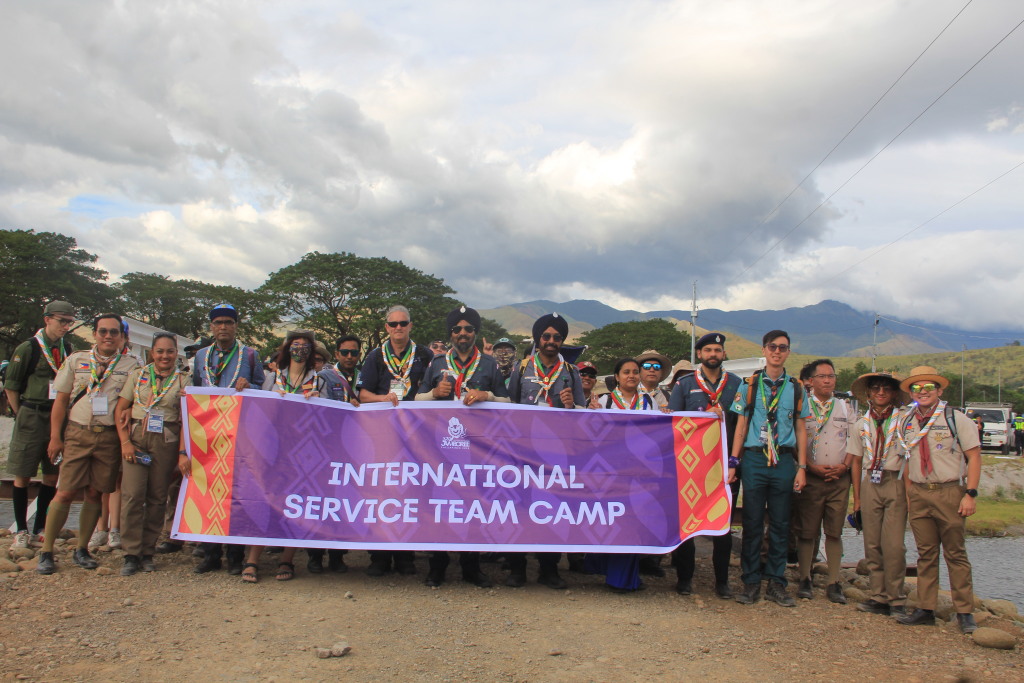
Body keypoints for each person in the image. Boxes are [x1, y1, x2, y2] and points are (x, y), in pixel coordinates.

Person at [37, 313, 141, 574]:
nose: (108, 336)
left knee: (96, 492)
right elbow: (61, 401)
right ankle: (46, 550)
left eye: (114, 332)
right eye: (103, 331)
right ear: (95, 334)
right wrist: (55, 437)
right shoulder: (76, 360)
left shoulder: (132, 365)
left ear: (122, 336)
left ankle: (82, 548)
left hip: (108, 436)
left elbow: (136, 400)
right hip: (78, 432)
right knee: (65, 491)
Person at [416, 305, 510, 588]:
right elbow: (416, 400)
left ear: (475, 332)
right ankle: (438, 565)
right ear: (451, 334)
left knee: (472, 504)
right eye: (457, 329)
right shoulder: (436, 363)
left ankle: (471, 566)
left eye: (468, 329)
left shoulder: (489, 364)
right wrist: (435, 393)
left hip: (477, 449)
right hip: (439, 448)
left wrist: (487, 394)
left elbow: (508, 403)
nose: (462, 333)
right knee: (440, 504)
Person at [895, 366, 982, 635]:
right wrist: (910, 494)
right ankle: (926, 608)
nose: (923, 392)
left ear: (939, 390)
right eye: (917, 388)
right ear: (911, 392)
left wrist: (970, 493)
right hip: (920, 492)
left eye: (929, 387)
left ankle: (964, 611)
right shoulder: (906, 421)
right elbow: (906, 459)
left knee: (955, 553)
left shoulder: (955, 418)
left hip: (949, 491)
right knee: (926, 554)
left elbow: (974, 457)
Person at [729, 330, 809, 607]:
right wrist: (734, 462)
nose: (777, 352)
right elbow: (741, 426)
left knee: (780, 523)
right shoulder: (749, 385)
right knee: (751, 522)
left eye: (782, 348)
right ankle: (750, 581)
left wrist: (802, 467)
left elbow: (801, 428)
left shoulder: (796, 388)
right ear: (763, 350)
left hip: (783, 461)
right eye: (772, 347)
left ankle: (776, 581)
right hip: (755, 458)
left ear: (788, 352)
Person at [506, 313, 584, 589]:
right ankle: (517, 569)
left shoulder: (571, 372)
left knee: (552, 509)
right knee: (518, 508)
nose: (551, 341)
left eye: (557, 337)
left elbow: (583, 413)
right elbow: (508, 406)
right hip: (523, 450)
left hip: (556, 453)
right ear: (538, 339)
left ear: (562, 341)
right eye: (546, 336)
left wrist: (571, 405)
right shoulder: (521, 368)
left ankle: (549, 569)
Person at [240, 330, 323, 583]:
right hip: (272, 449)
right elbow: (257, 407)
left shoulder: (318, 380)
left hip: (302, 451)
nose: (300, 349)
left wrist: (318, 402)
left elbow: (329, 417)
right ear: (287, 349)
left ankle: (287, 558)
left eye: (305, 345)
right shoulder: (272, 378)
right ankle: (253, 559)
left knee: (296, 502)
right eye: (295, 344)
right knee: (265, 499)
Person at [357, 305, 433, 577]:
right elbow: (363, 394)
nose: (398, 328)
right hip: (383, 433)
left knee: (411, 492)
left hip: (416, 434)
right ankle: (379, 556)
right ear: (386, 327)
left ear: (411, 325)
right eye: (393, 324)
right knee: (381, 492)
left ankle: (405, 555)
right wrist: (384, 399)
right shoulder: (375, 356)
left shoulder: (424, 355)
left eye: (403, 323)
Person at [191, 303, 266, 576]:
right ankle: (210, 553)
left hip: (238, 430)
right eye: (218, 322)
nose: (223, 327)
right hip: (208, 431)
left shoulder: (250, 355)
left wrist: (250, 386)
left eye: (228, 322)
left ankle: (235, 555)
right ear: (211, 326)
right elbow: (196, 387)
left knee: (236, 491)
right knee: (209, 489)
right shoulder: (201, 356)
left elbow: (262, 387)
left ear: (235, 326)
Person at [668, 332, 741, 599]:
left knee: (723, 523)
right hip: (691, 465)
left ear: (723, 354)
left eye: (717, 350)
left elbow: (742, 424)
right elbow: (674, 423)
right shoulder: (685, 384)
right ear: (699, 354)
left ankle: (722, 581)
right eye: (708, 350)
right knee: (688, 520)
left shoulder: (736, 384)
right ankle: (684, 578)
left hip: (725, 465)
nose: (713, 354)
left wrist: (725, 415)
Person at [113, 332, 191, 575]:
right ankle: (131, 552)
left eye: (170, 351)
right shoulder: (138, 376)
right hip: (137, 438)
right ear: (151, 353)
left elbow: (186, 419)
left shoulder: (184, 380)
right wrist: (125, 443)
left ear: (176, 353)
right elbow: (121, 409)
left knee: (157, 497)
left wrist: (182, 452)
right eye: (160, 351)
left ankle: (147, 551)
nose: (165, 356)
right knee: (132, 496)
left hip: (166, 440)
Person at [4, 301, 76, 552]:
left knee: (52, 473)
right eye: (61, 321)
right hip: (31, 412)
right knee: (23, 473)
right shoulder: (29, 348)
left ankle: (41, 528)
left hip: (56, 415)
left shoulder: (67, 348)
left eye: (69, 322)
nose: (65, 326)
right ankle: (21, 531)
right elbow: (11, 385)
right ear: (47, 319)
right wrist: (21, 413)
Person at [585, 358, 658, 592]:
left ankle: (623, 578)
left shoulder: (649, 401)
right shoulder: (604, 401)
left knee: (632, 522)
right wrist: (592, 414)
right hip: (610, 472)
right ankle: (608, 571)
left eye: (635, 372)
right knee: (612, 520)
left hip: (639, 472)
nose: (631, 376)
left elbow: (658, 433)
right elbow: (590, 434)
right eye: (626, 372)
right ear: (617, 377)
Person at [848, 371, 909, 616]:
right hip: (870, 482)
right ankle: (878, 595)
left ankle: (896, 598)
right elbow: (855, 461)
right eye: (876, 388)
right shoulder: (861, 424)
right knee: (872, 542)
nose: (881, 392)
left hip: (895, 480)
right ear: (868, 394)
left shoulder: (904, 421)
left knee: (893, 545)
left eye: (886, 388)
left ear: (894, 393)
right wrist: (857, 498)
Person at [793, 359, 853, 604]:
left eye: (831, 376)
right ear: (811, 381)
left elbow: (854, 441)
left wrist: (845, 466)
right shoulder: (802, 406)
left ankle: (834, 581)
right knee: (807, 531)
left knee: (834, 531)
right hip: (811, 476)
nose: (828, 381)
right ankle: (805, 577)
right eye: (822, 376)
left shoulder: (845, 408)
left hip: (839, 478)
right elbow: (795, 441)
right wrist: (809, 467)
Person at [319, 335, 361, 407]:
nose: (349, 356)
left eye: (354, 353)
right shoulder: (324, 376)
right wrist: (346, 405)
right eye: (345, 352)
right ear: (337, 354)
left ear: (359, 355)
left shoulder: (365, 377)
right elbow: (323, 404)